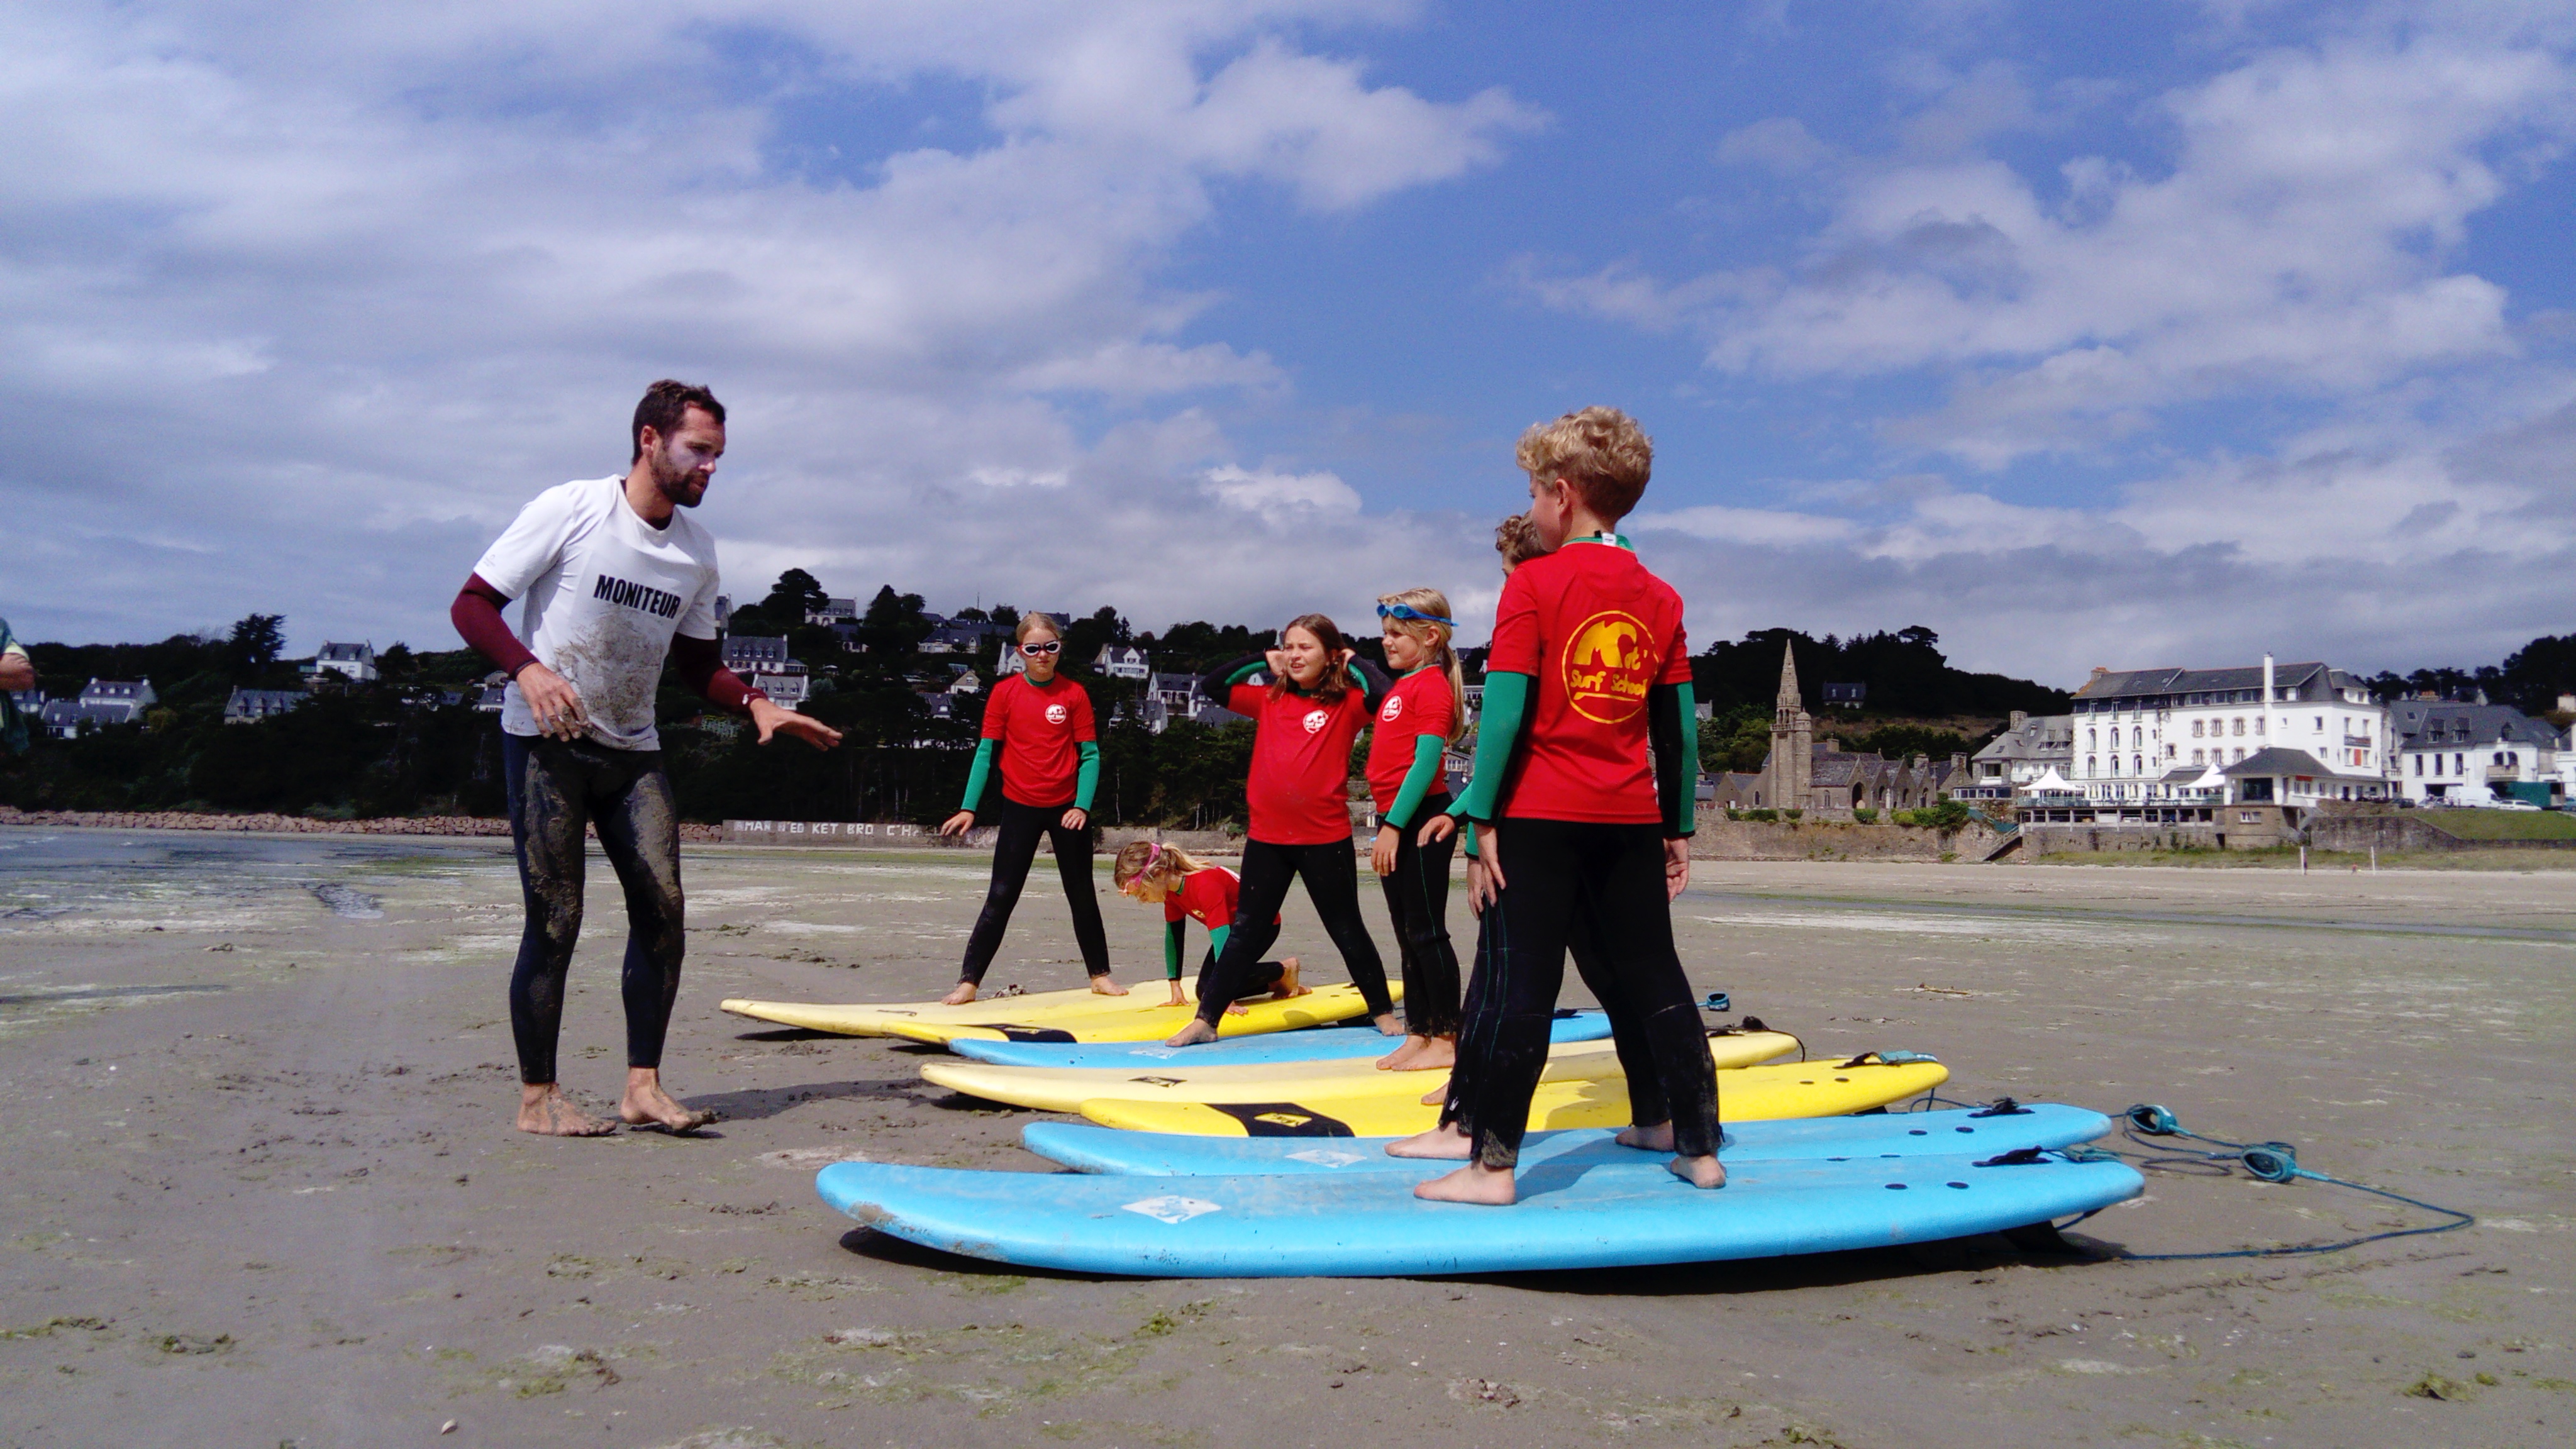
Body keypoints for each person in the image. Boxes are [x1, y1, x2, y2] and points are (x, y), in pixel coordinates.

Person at [451, 379, 843, 1137]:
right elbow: (472, 604)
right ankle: (538, 1098)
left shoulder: (697, 551)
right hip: (547, 745)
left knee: (663, 911)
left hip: (634, 751)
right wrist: (527, 670)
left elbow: (698, 666)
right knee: (557, 917)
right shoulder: (572, 508)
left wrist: (756, 703)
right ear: (650, 441)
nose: (711, 468)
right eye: (699, 450)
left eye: (718, 455)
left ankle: (642, 1088)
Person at [1396, 407, 1719, 1204]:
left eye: (1535, 494)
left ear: (1562, 494)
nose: (1533, 508)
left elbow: (1504, 712)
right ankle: (1696, 1147)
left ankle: (1491, 1167)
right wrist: (1678, 825)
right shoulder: (1661, 596)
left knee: (1524, 986)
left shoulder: (1534, 584)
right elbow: (1678, 730)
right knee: (1657, 977)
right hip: (1630, 819)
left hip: (1540, 818)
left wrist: (1480, 816)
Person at [1164, 614, 1396, 1046]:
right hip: (1268, 840)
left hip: (1325, 839)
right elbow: (1213, 686)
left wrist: (1350, 660)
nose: (1294, 655)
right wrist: (1261, 659)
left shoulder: (1346, 704)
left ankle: (1382, 1012)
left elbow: (1386, 695)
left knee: (1346, 928)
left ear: (1329, 655)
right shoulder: (1269, 699)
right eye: (1289, 647)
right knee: (1245, 930)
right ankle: (1206, 1021)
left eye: (1305, 647)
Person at [936, 613, 1120, 1004]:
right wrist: (969, 808)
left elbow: (1090, 755)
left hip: (1067, 809)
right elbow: (986, 752)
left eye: (1050, 647)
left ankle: (1100, 976)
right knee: (1001, 895)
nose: (1042, 655)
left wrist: (1082, 806)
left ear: (1059, 649)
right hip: (1020, 806)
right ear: (1020, 651)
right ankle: (968, 983)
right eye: (1034, 648)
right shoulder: (1004, 693)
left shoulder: (1074, 694)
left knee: (1082, 894)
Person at [1365, 589, 1467, 1070]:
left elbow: (1426, 763)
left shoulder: (1432, 686)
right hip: (1398, 819)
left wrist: (1392, 826)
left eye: (1396, 634)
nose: (1386, 641)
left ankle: (1446, 1038)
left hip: (1421, 820)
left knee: (1427, 932)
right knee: (1406, 934)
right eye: (1384, 632)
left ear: (1429, 637)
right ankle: (1418, 1032)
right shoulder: (1403, 685)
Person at [1112, 839, 1299, 1010]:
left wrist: (1226, 999)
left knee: (1214, 988)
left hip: (1261, 925)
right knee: (1204, 991)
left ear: (1159, 873)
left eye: (1142, 893)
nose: (1142, 900)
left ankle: (1284, 969)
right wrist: (1175, 988)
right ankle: (1276, 982)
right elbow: (1174, 938)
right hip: (1234, 929)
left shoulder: (1204, 885)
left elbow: (1221, 941)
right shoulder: (1171, 893)